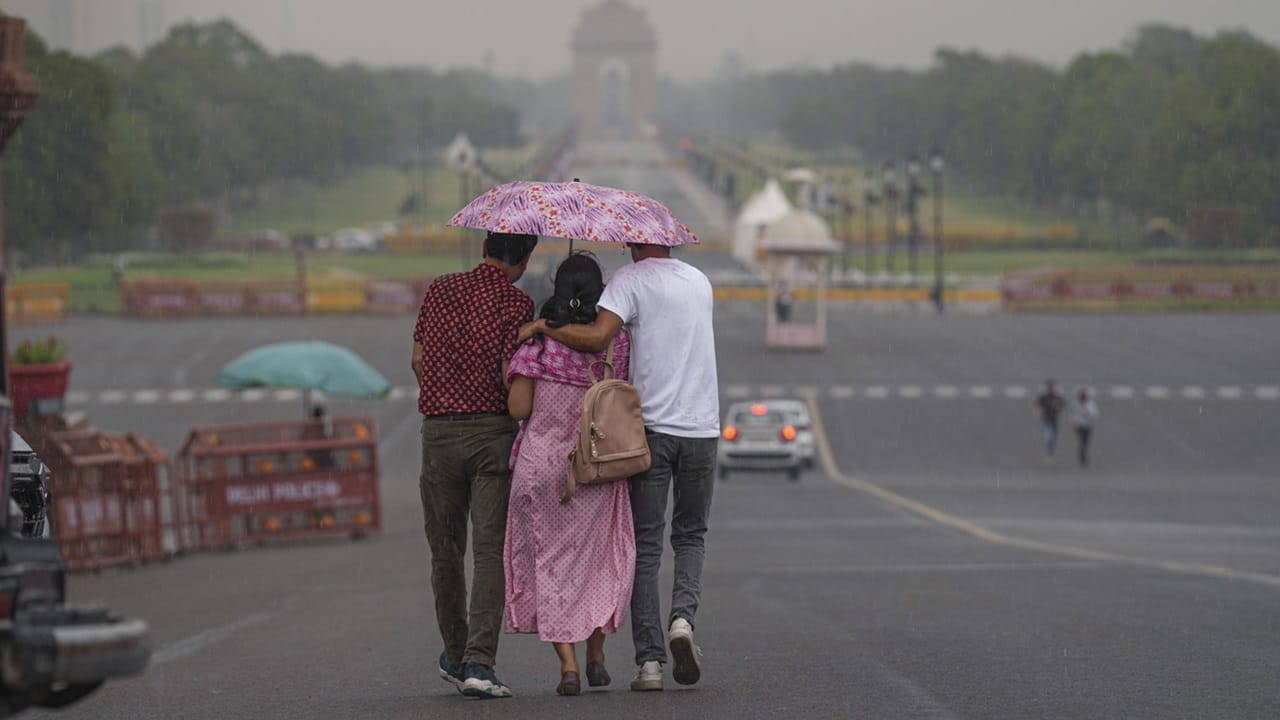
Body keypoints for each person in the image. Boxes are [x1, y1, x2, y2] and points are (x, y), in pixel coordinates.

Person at [518, 240, 719, 692]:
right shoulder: (700, 282)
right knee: (691, 536)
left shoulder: (630, 281)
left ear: (635, 241)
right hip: (703, 428)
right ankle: (683, 621)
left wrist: (544, 326)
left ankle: (649, 663)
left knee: (646, 546)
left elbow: (595, 337)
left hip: (650, 431)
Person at [411, 231, 538, 700]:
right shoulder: (518, 304)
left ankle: (456, 650)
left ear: (484, 248)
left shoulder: (440, 289)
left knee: (445, 551)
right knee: (489, 552)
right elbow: (512, 371)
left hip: (439, 434)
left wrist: (446, 396)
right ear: (524, 260)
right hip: (491, 436)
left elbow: (418, 359)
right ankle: (480, 665)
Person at [504, 253, 636, 697]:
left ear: (557, 288)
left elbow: (519, 409)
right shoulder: (617, 344)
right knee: (597, 564)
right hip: (598, 468)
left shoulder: (537, 346)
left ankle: (569, 666)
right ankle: (597, 655)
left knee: (551, 566)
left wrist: (514, 374)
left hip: (543, 471)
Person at [1035, 380, 1066, 459]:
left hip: (1054, 418)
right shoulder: (1044, 396)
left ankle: (1051, 447)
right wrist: (1038, 410)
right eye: (1050, 387)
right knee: (1048, 435)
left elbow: (1063, 403)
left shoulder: (1057, 396)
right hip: (1047, 418)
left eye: (1052, 387)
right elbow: (1039, 404)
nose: (1051, 389)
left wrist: (1058, 405)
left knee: (1054, 435)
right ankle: (1049, 449)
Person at [1071, 388, 1099, 467]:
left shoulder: (1091, 404)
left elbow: (1095, 415)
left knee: (1085, 441)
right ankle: (1082, 455)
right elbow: (1074, 414)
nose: (1083, 399)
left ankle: (1082, 454)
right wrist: (1074, 422)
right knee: (1082, 439)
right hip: (1079, 425)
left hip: (1088, 425)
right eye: (1082, 397)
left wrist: (1088, 414)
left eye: (1084, 397)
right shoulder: (1076, 404)